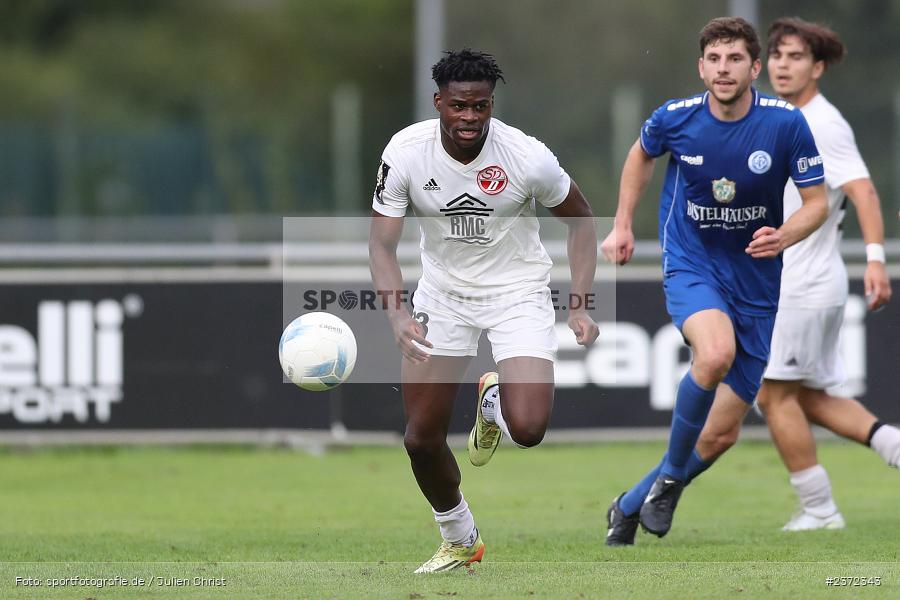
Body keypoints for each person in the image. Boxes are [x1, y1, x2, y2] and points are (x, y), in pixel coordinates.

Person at [600, 17, 829, 545]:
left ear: (754, 68)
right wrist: (621, 224)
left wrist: (784, 236)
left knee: (722, 433)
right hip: (693, 262)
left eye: (735, 59)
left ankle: (629, 505)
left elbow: (816, 204)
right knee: (715, 353)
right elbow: (641, 154)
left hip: (756, 281)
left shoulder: (785, 124)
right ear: (701, 68)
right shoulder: (675, 118)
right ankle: (671, 481)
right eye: (714, 59)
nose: (724, 69)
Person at [369, 49, 599, 572]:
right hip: (442, 296)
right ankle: (460, 537)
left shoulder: (527, 157)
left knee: (529, 428)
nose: (470, 117)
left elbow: (582, 221)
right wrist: (398, 315)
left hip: (518, 292)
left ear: (492, 104)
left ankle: (493, 403)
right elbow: (381, 245)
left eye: (481, 106)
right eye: (459, 106)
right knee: (420, 439)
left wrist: (581, 304)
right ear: (438, 103)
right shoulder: (405, 152)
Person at [755, 17, 899, 532]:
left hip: (804, 285)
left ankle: (819, 508)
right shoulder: (781, 116)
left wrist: (876, 259)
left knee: (772, 395)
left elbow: (864, 191)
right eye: (777, 55)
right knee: (808, 397)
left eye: (795, 57)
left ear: (817, 68)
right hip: (799, 283)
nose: (782, 65)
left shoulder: (823, 123)